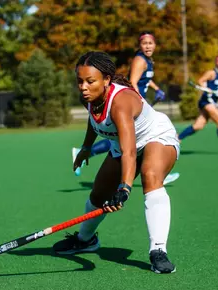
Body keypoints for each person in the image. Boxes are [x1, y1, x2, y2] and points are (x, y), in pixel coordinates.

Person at [52, 51, 178, 274]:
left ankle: (158, 251)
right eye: (79, 81)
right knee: (98, 195)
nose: (83, 86)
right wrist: (86, 148)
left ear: (106, 80)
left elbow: (130, 151)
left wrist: (125, 188)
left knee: (150, 176)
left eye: (90, 81)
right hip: (123, 144)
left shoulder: (121, 101)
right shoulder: (88, 97)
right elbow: (94, 121)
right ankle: (85, 240)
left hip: (155, 136)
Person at [73, 32, 179, 186]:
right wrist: (137, 100)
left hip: (140, 115)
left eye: (151, 43)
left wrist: (155, 90)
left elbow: (146, 80)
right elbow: (133, 81)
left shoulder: (149, 62)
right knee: (117, 137)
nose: (83, 87)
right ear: (140, 45)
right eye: (145, 43)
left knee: (149, 174)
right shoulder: (139, 60)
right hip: (132, 99)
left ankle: (157, 167)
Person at [177, 55, 218, 155]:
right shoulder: (211, 73)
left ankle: (178, 138)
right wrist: (207, 88)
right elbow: (200, 81)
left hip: (212, 102)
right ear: (216, 62)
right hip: (207, 101)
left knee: (198, 126)